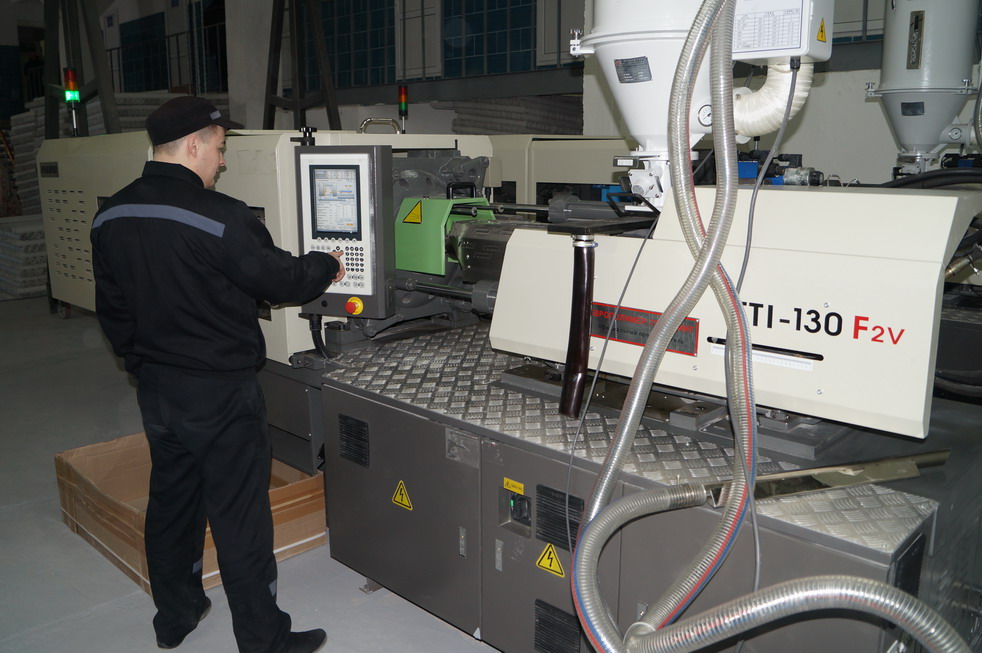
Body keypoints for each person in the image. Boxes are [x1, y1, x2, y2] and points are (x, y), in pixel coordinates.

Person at [90, 95, 342, 653]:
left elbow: (114, 311)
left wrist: (143, 364)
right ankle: (263, 638)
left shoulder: (111, 214)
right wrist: (327, 263)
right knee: (239, 515)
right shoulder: (221, 215)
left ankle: (175, 616)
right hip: (222, 393)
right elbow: (281, 280)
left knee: (172, 502)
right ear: (193, 145)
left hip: (158, 390)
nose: (222, 161)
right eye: (220, 148)